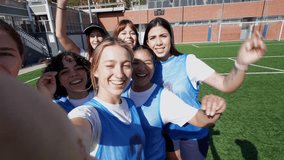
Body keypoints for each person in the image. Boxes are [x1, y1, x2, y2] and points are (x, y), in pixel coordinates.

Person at [143, 17, 266, 159]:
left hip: (193, 133)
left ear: (171, 37)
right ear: (147, 42)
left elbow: (226, 84)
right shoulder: (145, 68)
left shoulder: (188, 62)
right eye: (152, 38)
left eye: (163, 36)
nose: (158, 42)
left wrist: (241, 64)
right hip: (163, 136)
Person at [0, 19, 90, 160]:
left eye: (4, 54)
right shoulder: (51, 107)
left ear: (21, 57)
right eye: (65, 72)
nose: (74, 74)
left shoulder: (104, 97)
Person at [123, 45, 227, 160]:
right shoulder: (120, 93)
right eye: (136, 63)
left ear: (154, 66)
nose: (141, 68)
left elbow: (198, 119)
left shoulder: (163, 97)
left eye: (148, 62)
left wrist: (216, 108)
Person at [67, 37, 145, 159]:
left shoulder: (130, 104)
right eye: (110, 65)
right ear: (95, 70)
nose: (119, 74)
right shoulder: (89, 113)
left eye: (126, 65)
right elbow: (75, 134)